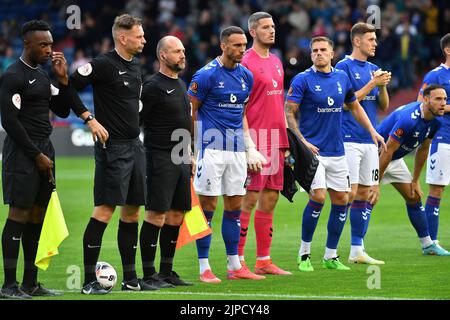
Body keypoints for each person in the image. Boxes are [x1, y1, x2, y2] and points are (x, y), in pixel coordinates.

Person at [0, 20, 106, 299]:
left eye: (51, 44)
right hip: (23, 154)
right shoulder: (13, 76)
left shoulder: (45, 76)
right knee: (18, 215)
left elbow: (60, 110)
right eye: (43, 45)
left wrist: (61, 78)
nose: (49, 50)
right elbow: (10, 122)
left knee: (37, 216)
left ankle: (30, 283)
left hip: (44, 151)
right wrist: (36, 155)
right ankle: (9, 285)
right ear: (27, 44)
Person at [70, 14, 156, 294]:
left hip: (135, 145)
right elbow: (69, 87)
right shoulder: (103, 64)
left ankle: (131, 279)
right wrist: (88, 118)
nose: (144, 39)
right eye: (139, 35)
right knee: (105, 211)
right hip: (112, 149)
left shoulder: (135, 66)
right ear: (123, 37)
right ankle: (87, 281)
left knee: (131, 213)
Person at [285, 36, 386, 272]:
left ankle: (331, 256)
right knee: (319, 197)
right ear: (311, 55)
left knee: (342, 200)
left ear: (332, 54)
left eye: (323, 50)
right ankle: (304, 253)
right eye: (315, 50)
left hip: (338, 151)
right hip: (314, 152)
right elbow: (289, 112)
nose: (319, 53)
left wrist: (372, 130)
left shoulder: (342, 77)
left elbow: (354, 106)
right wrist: (301, 142)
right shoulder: (303, 80)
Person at [188, 26, 266, 283]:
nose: (242, 49)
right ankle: (204, 268)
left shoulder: (246, 76)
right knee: (208, 208)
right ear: (223, 46)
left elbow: (241, 114)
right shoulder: (206, 75)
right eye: (236, 45)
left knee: (235, 207)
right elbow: (191, 111)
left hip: (235, 152)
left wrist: (249, 146)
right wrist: (191, 148)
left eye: (244, 45)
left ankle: (235, 266)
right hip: (211, 151)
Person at [238, 12, 291, 275]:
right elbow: (240, 107)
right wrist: (248, 145)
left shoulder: (277, 61)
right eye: (265, 27)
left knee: (270, 198)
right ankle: (237, 261)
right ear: (252, 32)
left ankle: (264, 260)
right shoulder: (245, 62)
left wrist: (286, 137)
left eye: (273, 26)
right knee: (247, 201)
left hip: (276, 139)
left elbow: (277, 102)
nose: (272, 31)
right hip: (256, 140)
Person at [335, 22, 391, 265]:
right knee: (349, 194)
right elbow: (347, 102)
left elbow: (383, 106)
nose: (375, 43)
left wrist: (383, 87)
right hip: (348, 139)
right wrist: (372, 84)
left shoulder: (374, 68)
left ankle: (357, 249)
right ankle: (331, 249)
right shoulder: (342, 67)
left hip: (370, 140)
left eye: (375, 39)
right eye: (371, 39)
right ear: (357, 41)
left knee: (367, 195)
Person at [139, 36, 193, 287]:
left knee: (176, 216)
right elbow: (137, 121)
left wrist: (190, 154)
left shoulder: (181, 84)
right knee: (156, 215)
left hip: (181, 158)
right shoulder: (152, 86)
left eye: (183, 51)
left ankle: (166, 272)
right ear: (162, 55)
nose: (182, 55)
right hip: (159, 157)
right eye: (176, 51)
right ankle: (148, 274)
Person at [375, 84, 449, 256]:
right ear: (425, 99)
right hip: (377, 155)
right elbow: (388, 149)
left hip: (394, 157)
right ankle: (357, 248)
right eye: (438, 99)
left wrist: (415, 180)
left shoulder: (437, 120)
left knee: (413, 196)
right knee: (367, 197)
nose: (443, 103)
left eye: (445, 99)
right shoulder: (409, 118)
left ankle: (428, 245)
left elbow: (423, 149)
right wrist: (375, 182)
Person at [417, 33, 450, 249]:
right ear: (447, 50)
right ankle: (431, 242)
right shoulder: (436, 75)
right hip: (442, 137)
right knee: (436, 190)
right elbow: (420, 102)